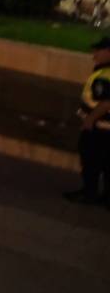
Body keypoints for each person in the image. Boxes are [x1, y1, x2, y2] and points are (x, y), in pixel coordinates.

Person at [65, 37, 110, 205]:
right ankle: (106, 198)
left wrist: (90, 120)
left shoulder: (105, 75)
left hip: (100, 128)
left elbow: (106, 102)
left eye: (98, 50)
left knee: (91, 161)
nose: (94, 54)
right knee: (107, 165)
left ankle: (89, 193)